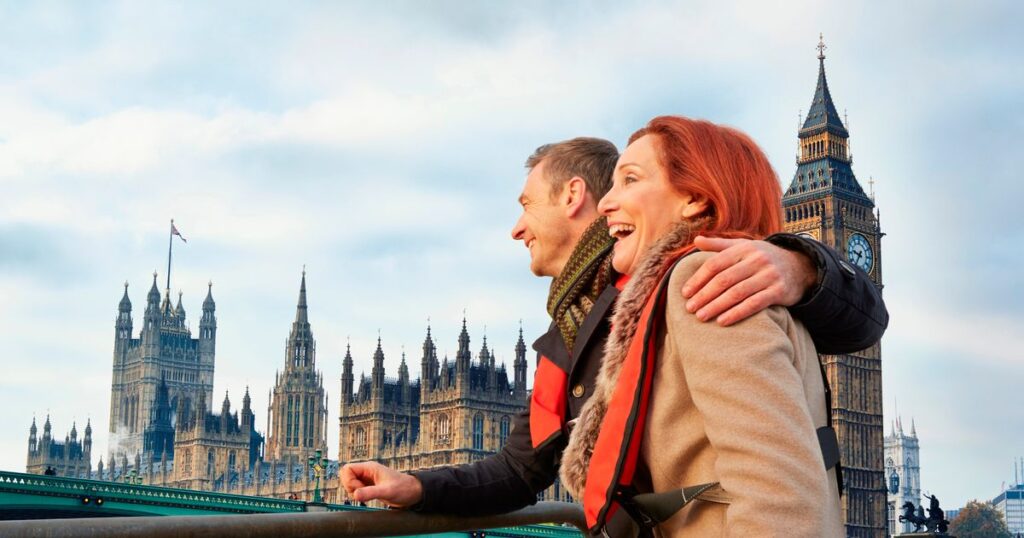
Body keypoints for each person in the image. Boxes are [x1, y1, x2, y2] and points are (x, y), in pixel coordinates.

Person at [340, 136, 886, 518]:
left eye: (526, 204)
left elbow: (861, 323)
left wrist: (801, 263)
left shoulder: (692, 276)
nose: (516, 227)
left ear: (572, 195)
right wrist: (413, 485)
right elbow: (520, 469)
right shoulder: (571, 329)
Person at [559, 116, 844, 536]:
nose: (604, 203)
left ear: (694, 198)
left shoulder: (709, 279)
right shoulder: (682, 288)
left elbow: (778, 494)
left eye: (630, 180)